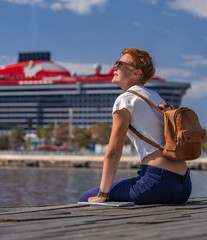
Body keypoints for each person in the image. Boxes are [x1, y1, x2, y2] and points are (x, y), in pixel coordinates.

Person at [79, 48, 191, 205]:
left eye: (120, 63)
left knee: (86, 199)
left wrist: (102, 194)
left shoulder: (125, 100)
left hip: (157, 183)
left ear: (136, 73)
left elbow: (113, 153)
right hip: (184, 185)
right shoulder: (154, 96)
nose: (114, 67)